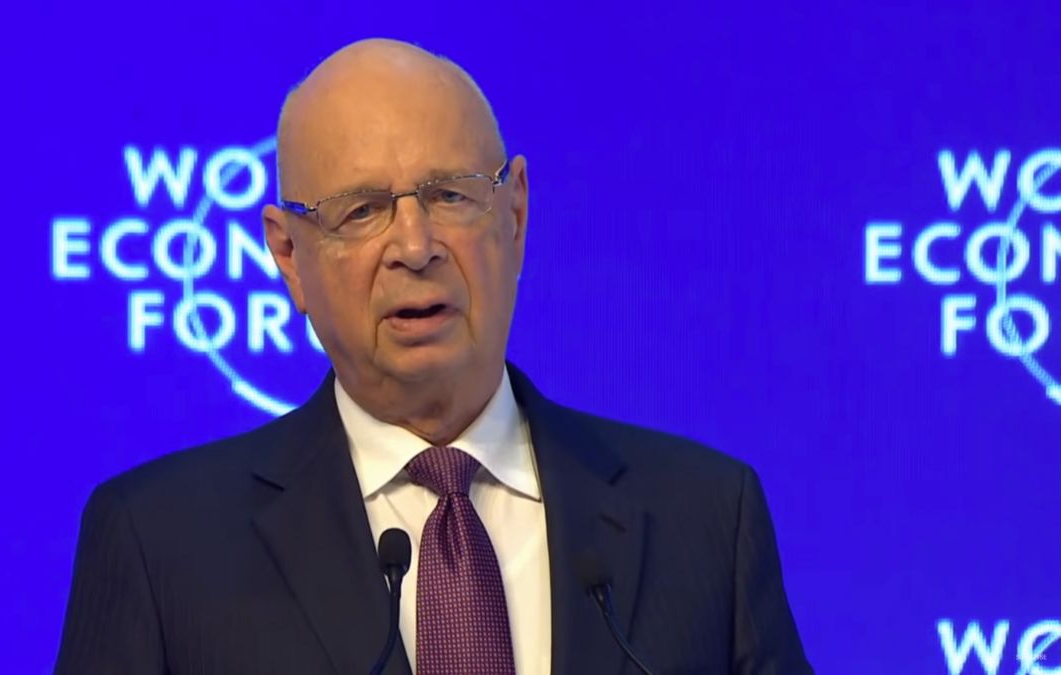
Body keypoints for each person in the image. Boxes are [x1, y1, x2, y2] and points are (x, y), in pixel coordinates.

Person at [55, 38, 812, 675]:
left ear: (516, 213)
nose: (415, 248)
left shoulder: (704, 517)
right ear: (289, 257)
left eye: (451, 195)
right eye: (361, 211)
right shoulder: (161, 544)